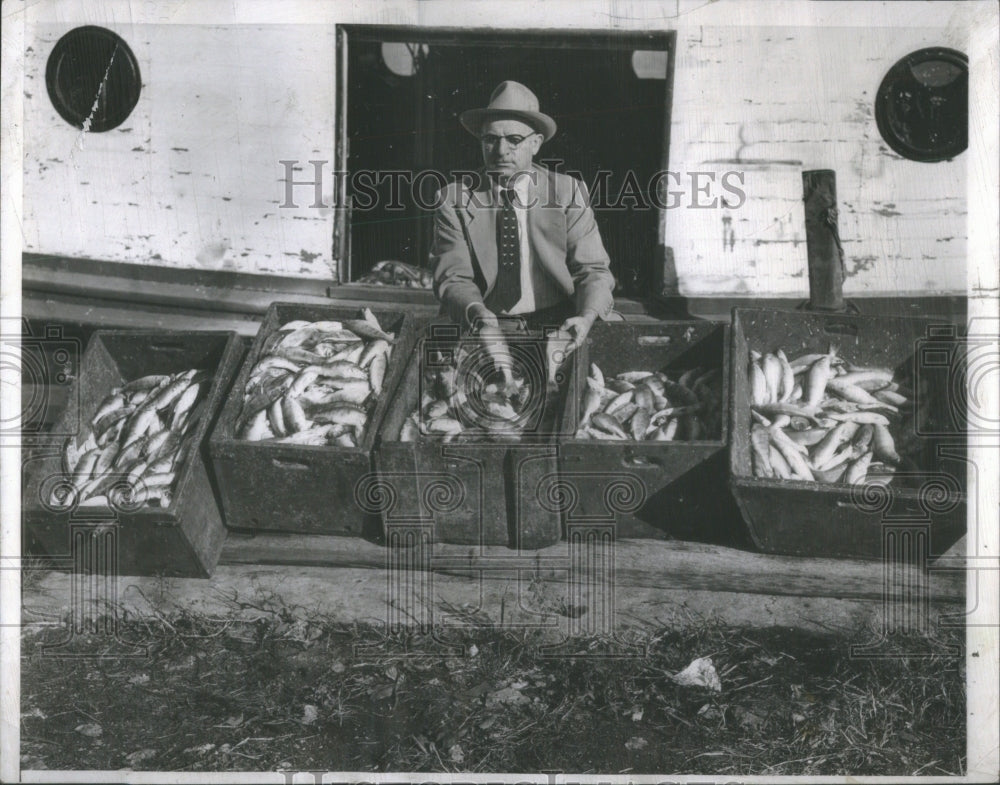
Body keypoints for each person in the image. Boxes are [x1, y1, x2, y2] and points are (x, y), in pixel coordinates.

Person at [430, 80, 616, 350]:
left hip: (558, 322)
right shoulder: (454, 199)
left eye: (514, 140)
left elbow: (593, 269)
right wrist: (476, 312)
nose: (501, 150)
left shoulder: (567, 191)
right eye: (490, 139)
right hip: (484, 324)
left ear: (536, 144)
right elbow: (453, 277)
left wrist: (585, 317)